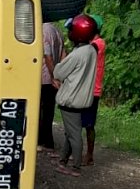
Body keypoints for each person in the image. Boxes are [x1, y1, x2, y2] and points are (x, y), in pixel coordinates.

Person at [52, 14, 98, 177]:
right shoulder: (91, 50)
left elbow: (58, 72)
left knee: (74, 135)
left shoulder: (78, 54)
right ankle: (63, 160)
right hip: (81, 99)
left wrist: (59, 62)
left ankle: (75, 167)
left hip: (70, 100)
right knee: (71, 133)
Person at [82, 14, 106, 165]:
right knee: (78, 123)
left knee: (89, 125)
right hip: (85, 88)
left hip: (93, 90)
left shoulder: (98, 43)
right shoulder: (91, 43)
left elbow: (88, 52)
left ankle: (89, 155)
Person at [38, 20, 64, 150]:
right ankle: (49, 141)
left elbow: (47, 56)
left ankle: (42, 141)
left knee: (40, 110)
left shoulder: (43, 30)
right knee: (49, 111)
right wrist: (60, 76)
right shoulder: (57, 31)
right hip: (54, 78)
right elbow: (63, 54)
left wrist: (53, 75)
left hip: (44, 77)